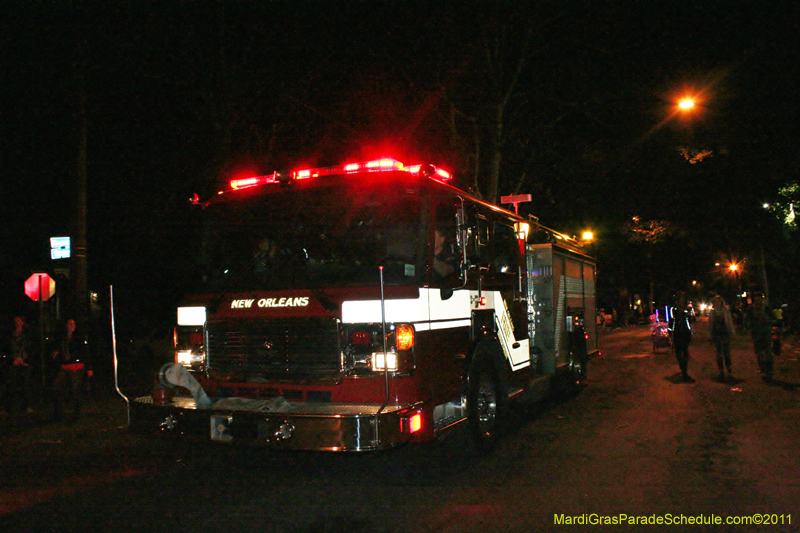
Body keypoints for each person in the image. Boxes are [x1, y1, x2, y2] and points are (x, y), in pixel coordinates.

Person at [51, 318, 92, 422]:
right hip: (65, 365)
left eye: (73, 324)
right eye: (69, 324)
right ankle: (59, 412)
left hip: (77, 366)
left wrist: (88, 368)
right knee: (57, 388)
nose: (71, 326)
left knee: (75, 390)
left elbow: (85, 352)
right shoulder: (62, 338)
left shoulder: (78, 338)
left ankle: (76, 413)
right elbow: (58, 349)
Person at [7, 316, 33, 413]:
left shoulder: (26, 336)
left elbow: (30, 349)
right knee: (11, 384)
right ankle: (10, 406)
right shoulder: (10, 336)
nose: (17, 323)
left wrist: (25, 360)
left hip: (24, 362)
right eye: (16, 321)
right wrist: (12, 359)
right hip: (14, 362)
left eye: (19, 321)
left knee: (25, 384)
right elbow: (7, 349)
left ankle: (26, 405)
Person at [746, 294, 773, 381]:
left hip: (765, 333)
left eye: (759, 299)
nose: (758, 302)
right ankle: (764, 370)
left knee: (766, 352)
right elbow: (747, 320)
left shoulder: (766, 309)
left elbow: (772, 319)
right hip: (757, 333)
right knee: (761, 353)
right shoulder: (751, 309)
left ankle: (768, 370)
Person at [708, 295, 736, 382]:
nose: (717, 303)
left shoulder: (725, 311)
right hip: (717, 335)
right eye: (716, 302)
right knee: (719, 353)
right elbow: (710, 324)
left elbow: (729, 322)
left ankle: (729, 371)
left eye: (719, 301)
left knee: (726, 353)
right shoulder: (712, 312)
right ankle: (721, 371)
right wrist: (709, 335)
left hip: (725, 334)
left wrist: (732, 332)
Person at [669, 292, 694, 382]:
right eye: (680, 298)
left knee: (685, 352)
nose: (682, 300)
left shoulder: (687, 308)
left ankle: (685, 371)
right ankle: (683, 371)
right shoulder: (674, 309)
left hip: (685, 332)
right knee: (679, 352)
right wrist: (670, 331)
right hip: (677, 332)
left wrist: (689, 311)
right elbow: (671, 320)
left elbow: (692, 319)